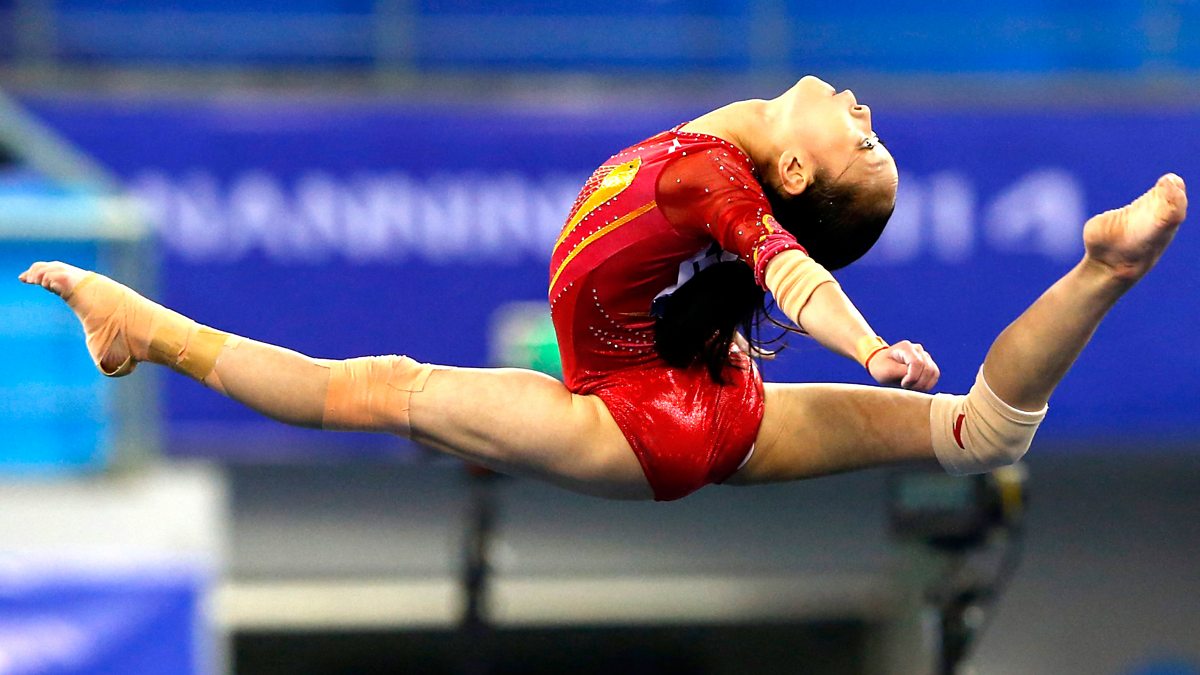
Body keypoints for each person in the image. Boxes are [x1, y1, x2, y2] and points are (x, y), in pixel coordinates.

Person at [19, 76, 1187, 502]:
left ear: (791, 172)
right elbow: (773, 264)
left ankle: (146, 330)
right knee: (977, 437)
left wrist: (868, 348)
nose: (867, 119)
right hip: (703, 389)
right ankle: (1104, 269)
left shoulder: (717, 182)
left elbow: (788, 269)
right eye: (874, 137)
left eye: (862, 146)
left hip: (638, 420)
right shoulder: (739, 148)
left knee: (371, 389)